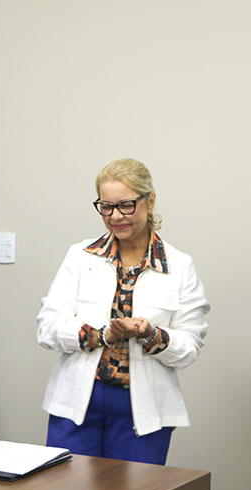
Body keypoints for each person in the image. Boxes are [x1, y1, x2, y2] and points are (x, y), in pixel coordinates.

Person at [37, 158, 209, 465]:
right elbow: (48, 328)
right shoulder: (80, 256)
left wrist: (151, 334)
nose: (116, 216)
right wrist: (101, 334)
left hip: (143, 412)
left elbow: (189, 348)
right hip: (77, 402)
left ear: (150, 201)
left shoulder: (179, 265)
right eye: (106, 206)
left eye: (127, 205)